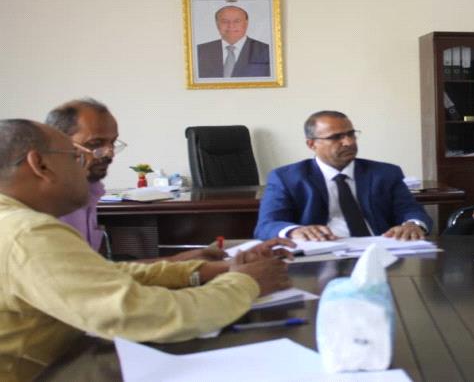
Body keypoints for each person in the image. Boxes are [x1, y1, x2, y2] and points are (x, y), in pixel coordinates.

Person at [0, 119, 293, 382]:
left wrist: (201, 271)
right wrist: (246, 282)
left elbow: (100, 276)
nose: (87, 166)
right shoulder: (27, 233)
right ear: (40, 165)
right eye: (76, 157)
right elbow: (142, 315)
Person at [46, 98, 221, 261]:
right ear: (57, 144)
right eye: (95, 144)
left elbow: (99, 270)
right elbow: (86, 277)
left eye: (112, 143)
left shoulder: (90, 189)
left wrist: (182, 261)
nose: (109, 153)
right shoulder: (49, 206)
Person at [254, 110, 432, 241]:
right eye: (336, 137)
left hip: (379, 250)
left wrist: (413, 225)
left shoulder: (385, 173)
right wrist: (294, 231)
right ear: (312, 144)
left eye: (351, 134)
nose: (348, 142)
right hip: (320, 254)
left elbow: (411, 210)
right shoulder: (286, 178)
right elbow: (267, 225)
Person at [196, 5, 270, 78]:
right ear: (217, 24)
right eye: (225, 21)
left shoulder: (267, 51)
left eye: (237, 21)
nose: (231, 25)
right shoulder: (200, 51)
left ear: (246, 23)